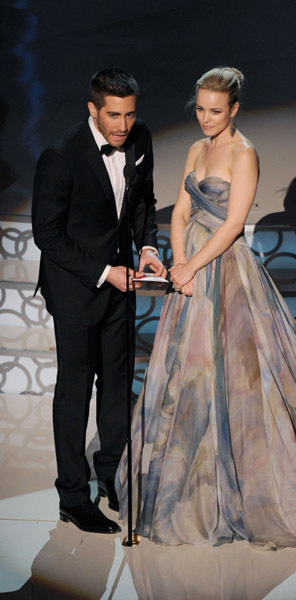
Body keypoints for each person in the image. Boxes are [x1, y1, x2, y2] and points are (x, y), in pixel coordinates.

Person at [116, 67, 296, 549]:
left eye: (216, 111)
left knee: (240, 376)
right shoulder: (195, 148)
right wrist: (177, 259)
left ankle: (247, 479)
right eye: (201, 109)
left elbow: (232, 227)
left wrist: (192, 267)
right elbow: (183, 211)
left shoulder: (244, 153)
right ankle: (189, 477)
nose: (206, 119)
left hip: (225, 271)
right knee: (190, 373)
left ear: (234, 110)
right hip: (190, 273)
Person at [32, 68, 167, 534]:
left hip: (121, 282)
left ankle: (112, 472)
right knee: (74, 392)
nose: (123, 126)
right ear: (93, 109)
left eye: (130, 114)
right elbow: (46, 234)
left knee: (116, 382)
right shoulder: (61, 155)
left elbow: (143, 201)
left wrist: (148, 247)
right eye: (114, 115)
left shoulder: (141, 137)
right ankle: (73, 493)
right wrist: (105, 272)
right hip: (76, 287)